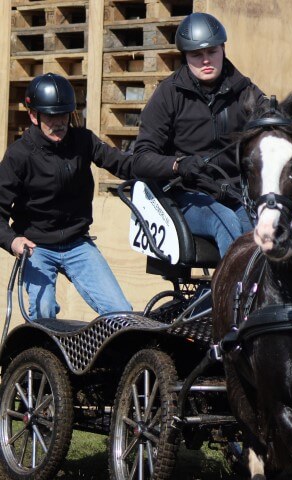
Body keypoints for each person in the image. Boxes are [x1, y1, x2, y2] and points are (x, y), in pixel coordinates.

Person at [132, 12, 268, 257]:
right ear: (185, 57)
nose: (206, 60)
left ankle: (262, 294)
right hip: (185, 196)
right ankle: (231, 294)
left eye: (212, 52)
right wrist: (178, 165)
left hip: (234, 194)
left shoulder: (243, 90)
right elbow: (140, 158)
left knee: (261, 231)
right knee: (225, 221)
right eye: (197, 55)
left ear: (223, 50)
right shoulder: (169, 94)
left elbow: (271, 123)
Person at [0, 73, 134, 320]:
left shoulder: (83, 140)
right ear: (33, 115)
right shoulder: (18, 156)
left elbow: (121, 163)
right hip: (36, 247)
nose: (59, 122)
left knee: (122, 313)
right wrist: (13, 241)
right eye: (51, 116)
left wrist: (165, 167)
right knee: (43, 312)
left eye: (64, 115)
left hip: (77, 243)